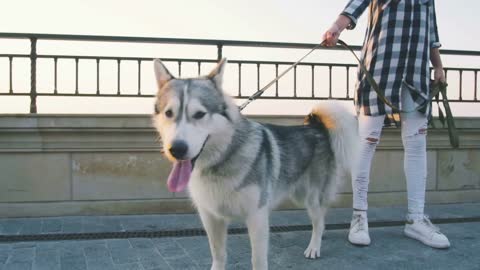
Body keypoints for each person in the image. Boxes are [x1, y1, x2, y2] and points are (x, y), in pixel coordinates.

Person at [323, 0, 450, 248]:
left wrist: (438, 65)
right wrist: (336, 28)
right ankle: (359, 217)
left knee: (416, 144)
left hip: (415, 72)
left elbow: (431, 31)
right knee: (367, 142)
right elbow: (354, 7)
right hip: (379, 68)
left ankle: (415, 219)